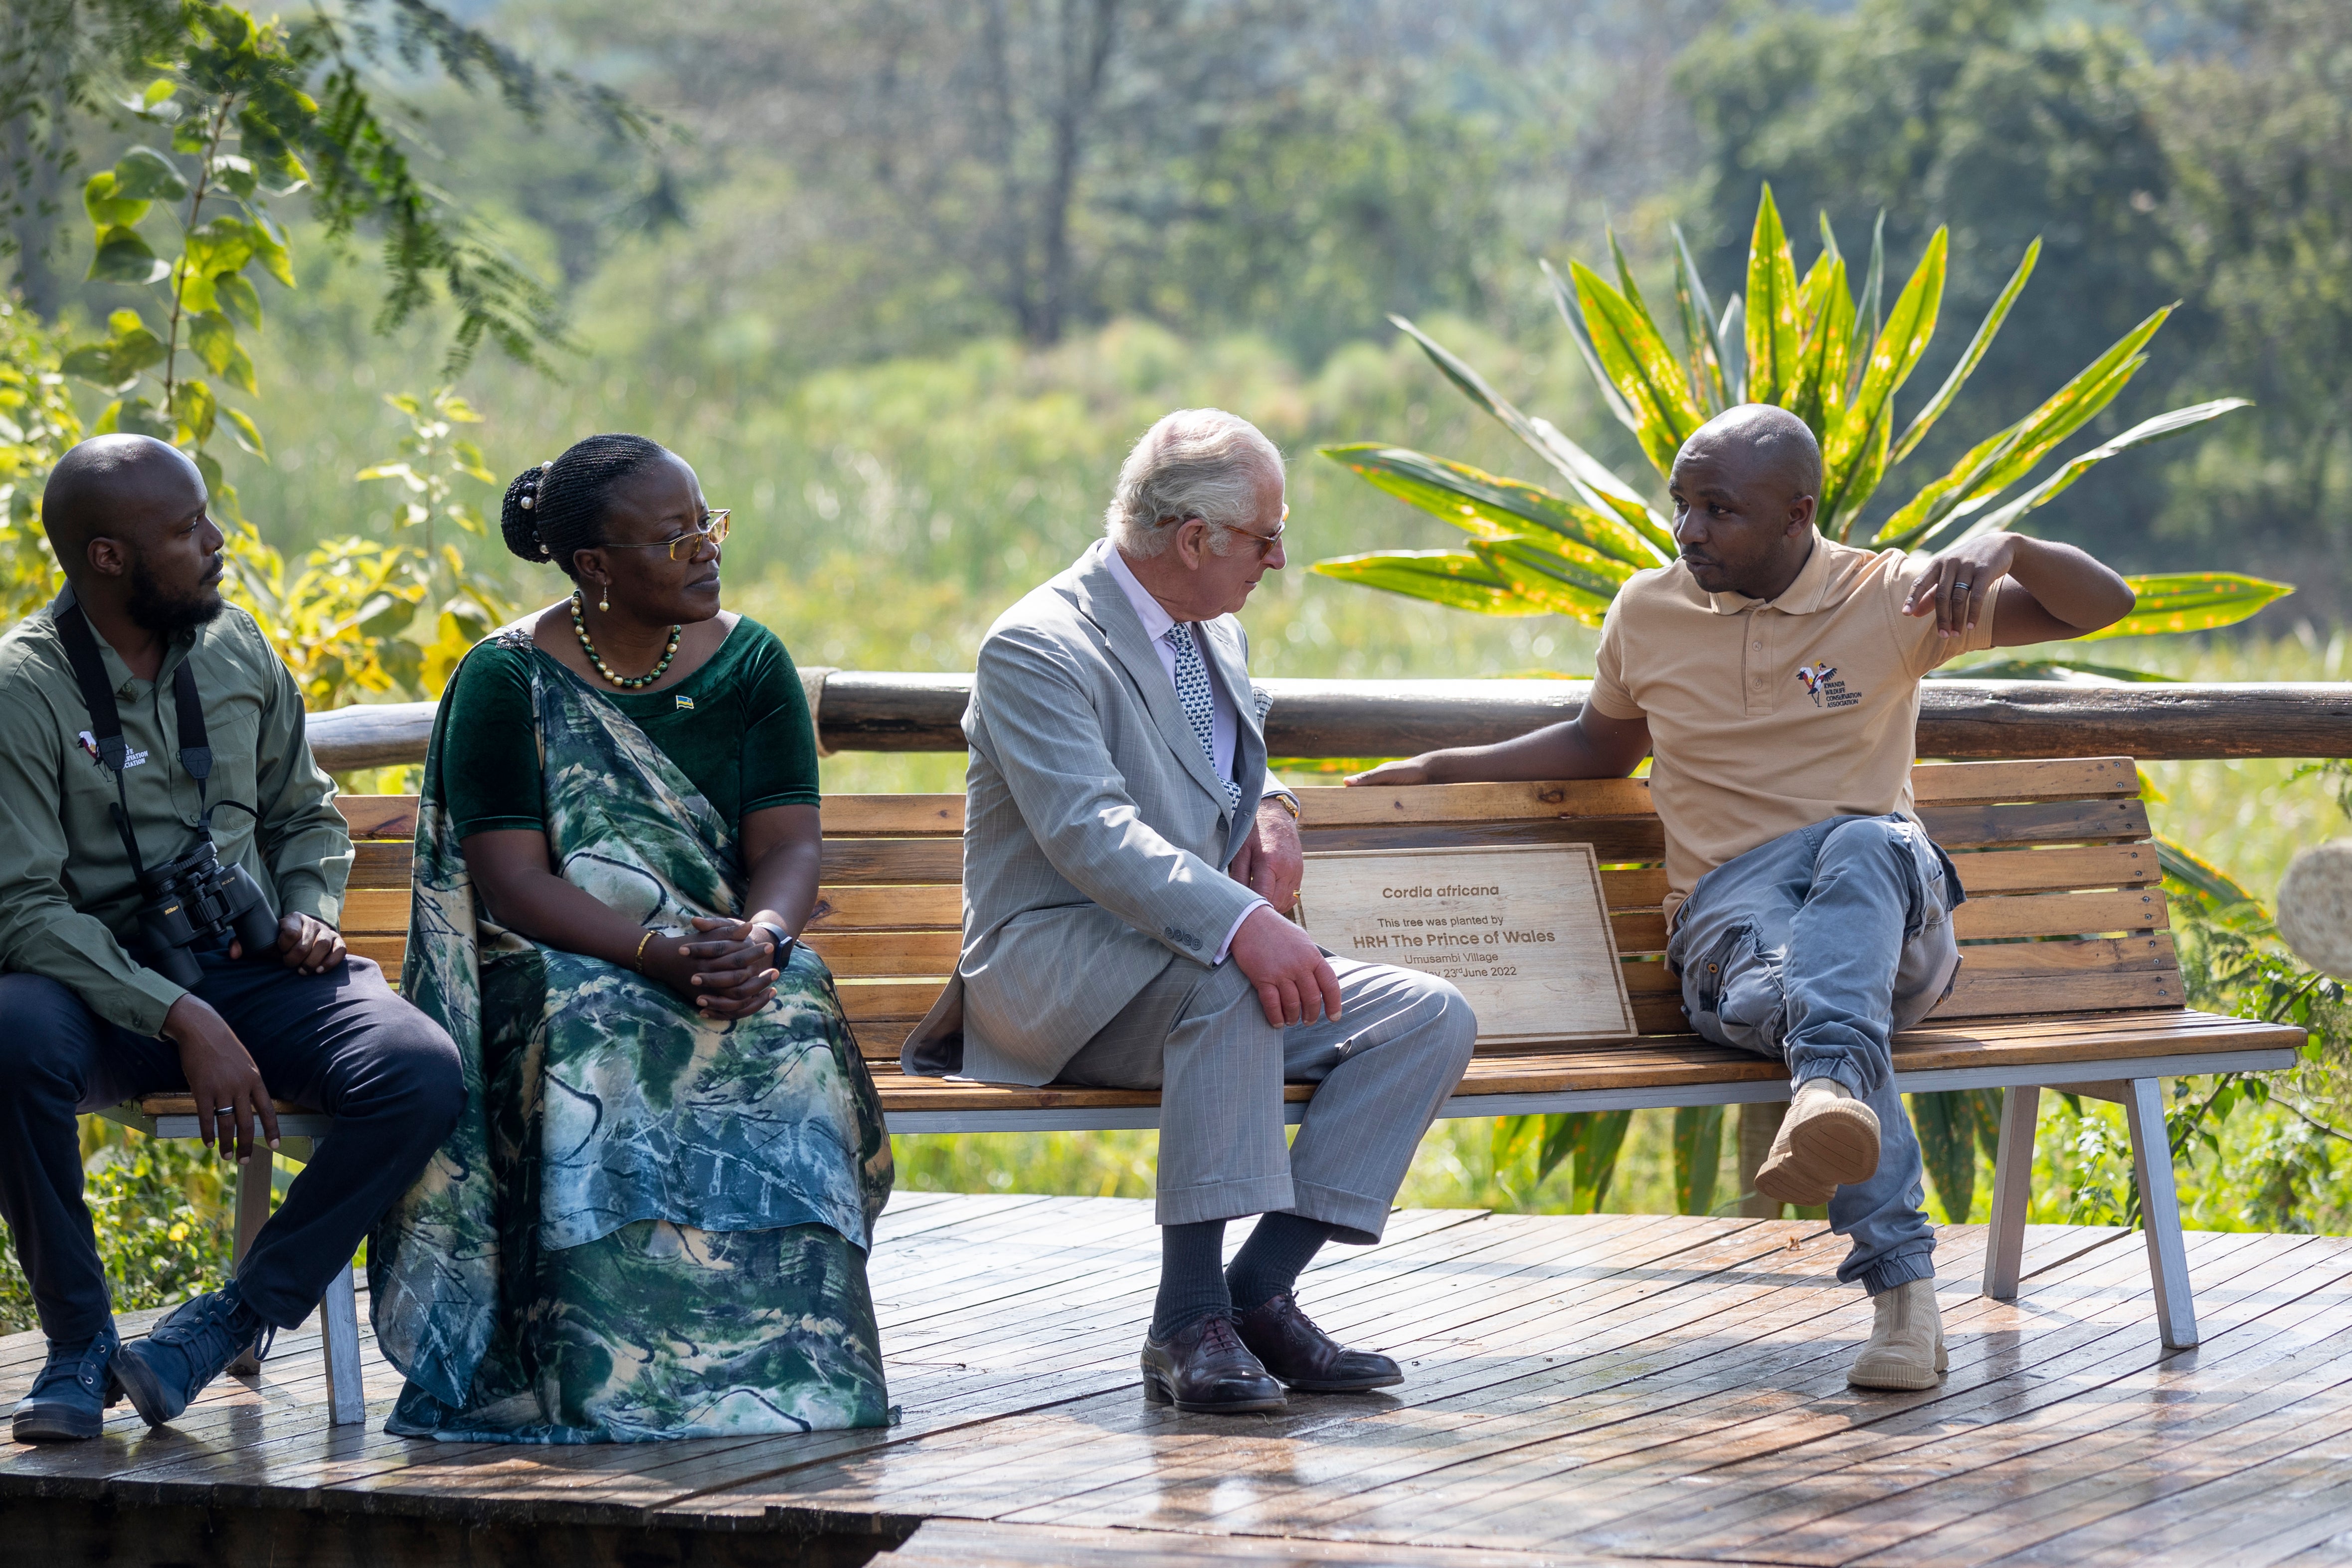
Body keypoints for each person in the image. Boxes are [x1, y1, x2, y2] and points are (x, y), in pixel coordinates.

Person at [1350, 403, 2136, 1391]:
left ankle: (1841, 1125)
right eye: (1680, 505)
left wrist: (2010, 543)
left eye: (1718, 510)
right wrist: (1434, 768)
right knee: (1827, 1020)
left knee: (1862, 843)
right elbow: (1601, 747)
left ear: (1797, 513)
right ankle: (1897, 1284)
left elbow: (2101, 604)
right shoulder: (1647, 610)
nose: (1686, 532)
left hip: (1887, 916)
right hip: (1735, 934)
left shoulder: (1890, 596)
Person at [902, 408, 1478, 1415]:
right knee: (1234, 982)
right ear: (1194, 540)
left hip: (1181, 964)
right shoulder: (1036, 646)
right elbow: (1091, 831)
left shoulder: (1212, 626)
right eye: (1267, 535)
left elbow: (1213, 759)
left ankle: (1256, 1294)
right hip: (1054, 970)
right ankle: (1185, 1320)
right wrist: (1243, 923)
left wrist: (1275, 802)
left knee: (1426, 1015)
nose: (1281, 556)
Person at [369, 433, 893, 1443]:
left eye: (707, 523)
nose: (705, 549)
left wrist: (767, 937)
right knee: (600, 1026)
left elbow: (787, 843)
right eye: (672, 535)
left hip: (727, 952)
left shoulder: (750, 662)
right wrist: (652, 953)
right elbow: (513, 882)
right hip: (561, 964)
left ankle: (801, 1369)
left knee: (790, 1017)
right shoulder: (506, 679)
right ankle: (601, 1382)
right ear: (595, 567)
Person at [0, 435, 464, 1443]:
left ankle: (223, 1322)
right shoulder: (23, 688)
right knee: (9, 1027)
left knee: (420, 1067)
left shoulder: (237, 644)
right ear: (107, 558)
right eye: (185, 529)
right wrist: (180, 1012)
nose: (216, 542)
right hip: (100, 989)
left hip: (252, 967)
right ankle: (79, 1343)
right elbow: (24, 906)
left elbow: (305, 813)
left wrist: (307, 909)